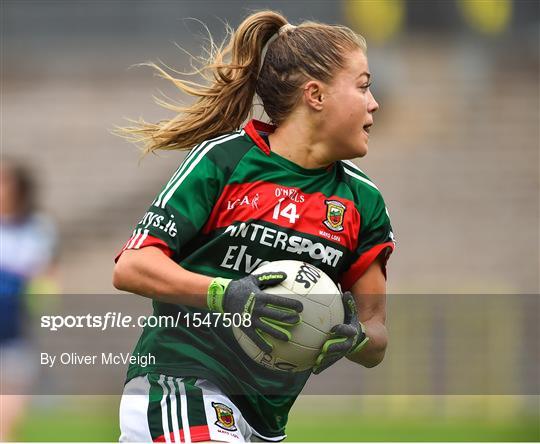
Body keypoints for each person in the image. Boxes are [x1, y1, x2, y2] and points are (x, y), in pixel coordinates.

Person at [113, 10, 395, 443]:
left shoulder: (364, 202)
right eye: (362, 86)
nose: (374, 102)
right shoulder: (223, 160)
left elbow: (376, 336)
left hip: (264, 419)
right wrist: (226, 294)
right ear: (315, 95)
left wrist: (353, 339)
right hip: (179, 384)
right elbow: (132, 267)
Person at [0, 158, 59, 441]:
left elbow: (44, 273)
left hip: (13, 323)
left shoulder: (36, 227)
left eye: (4, 180)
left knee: (12, 393)